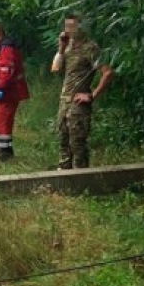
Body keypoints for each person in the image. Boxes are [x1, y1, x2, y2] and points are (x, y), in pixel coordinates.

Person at [52, 13, 113, 169]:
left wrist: (92, 95)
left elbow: (107, 72)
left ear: (81, 27)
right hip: (64, 101)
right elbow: (55, 69)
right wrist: (61, 47)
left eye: (73, 26)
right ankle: (64, 177)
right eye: (67, 26)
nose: (69, 30)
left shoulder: (90, 48)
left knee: (77, 143)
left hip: (78, 103)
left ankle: (82, 179)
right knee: (63, 140)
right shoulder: (67, 46)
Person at [0, 23, 30, 161]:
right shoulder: (2, 49)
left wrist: (1, 89)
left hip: (8, 93)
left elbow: (6, 70)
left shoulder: (6, 49)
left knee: (1, 122)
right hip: (8, 93)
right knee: (3, 121)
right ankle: (6, 152)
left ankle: (3, 154)